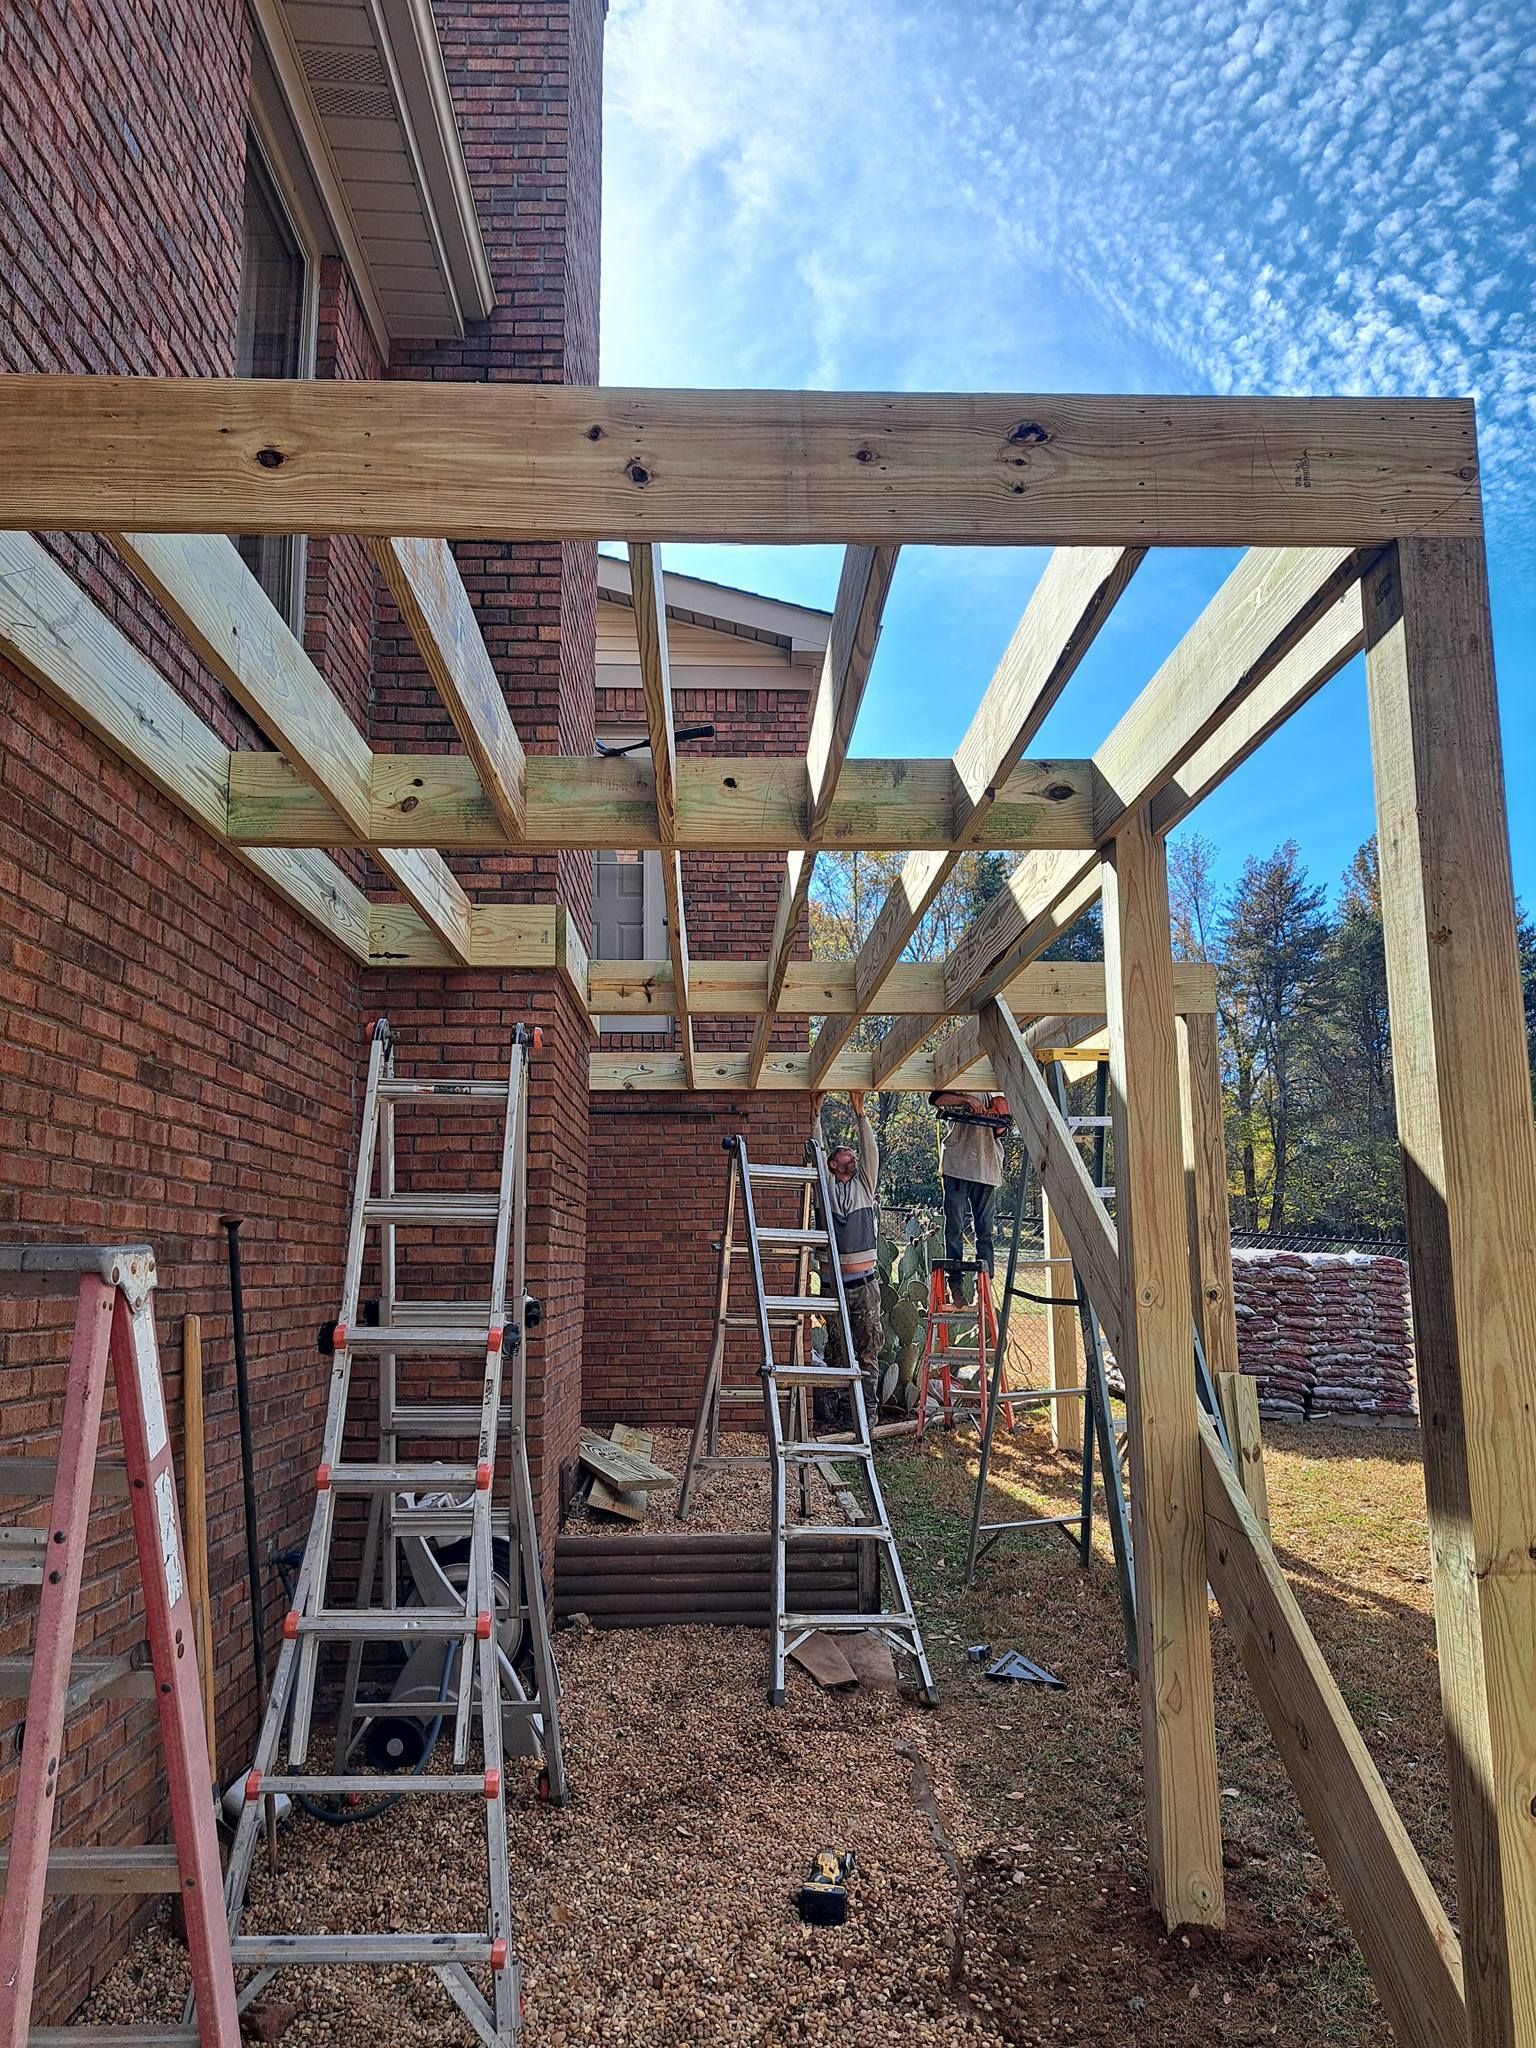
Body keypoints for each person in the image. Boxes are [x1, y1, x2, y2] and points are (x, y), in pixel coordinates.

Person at [814, 1089, 884, 1424]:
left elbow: (871, 1153)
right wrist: (815, 1115)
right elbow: (816, 1151)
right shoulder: (824, 1187)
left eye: (854, 1156)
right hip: (834, 1286)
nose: (854, 1158)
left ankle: (867, 1413)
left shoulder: (864, 1186)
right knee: (839, 1350)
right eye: (846, 1155)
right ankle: (844, 1412)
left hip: (864, 1285)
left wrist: (861, 1115)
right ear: (832, 1164)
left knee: (868, 1348)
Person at [929, 1091, 1010, 1286]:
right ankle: (955, 1284)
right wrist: (967, 1100)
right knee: (954, 1227)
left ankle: (983, 1286)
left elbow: (1002, 1130)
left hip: (986, 1166)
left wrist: (999, 1113)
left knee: (985, 1231)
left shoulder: (998, 1085)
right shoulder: (961, 1079)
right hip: (957, 1165)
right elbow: (936, 1099)